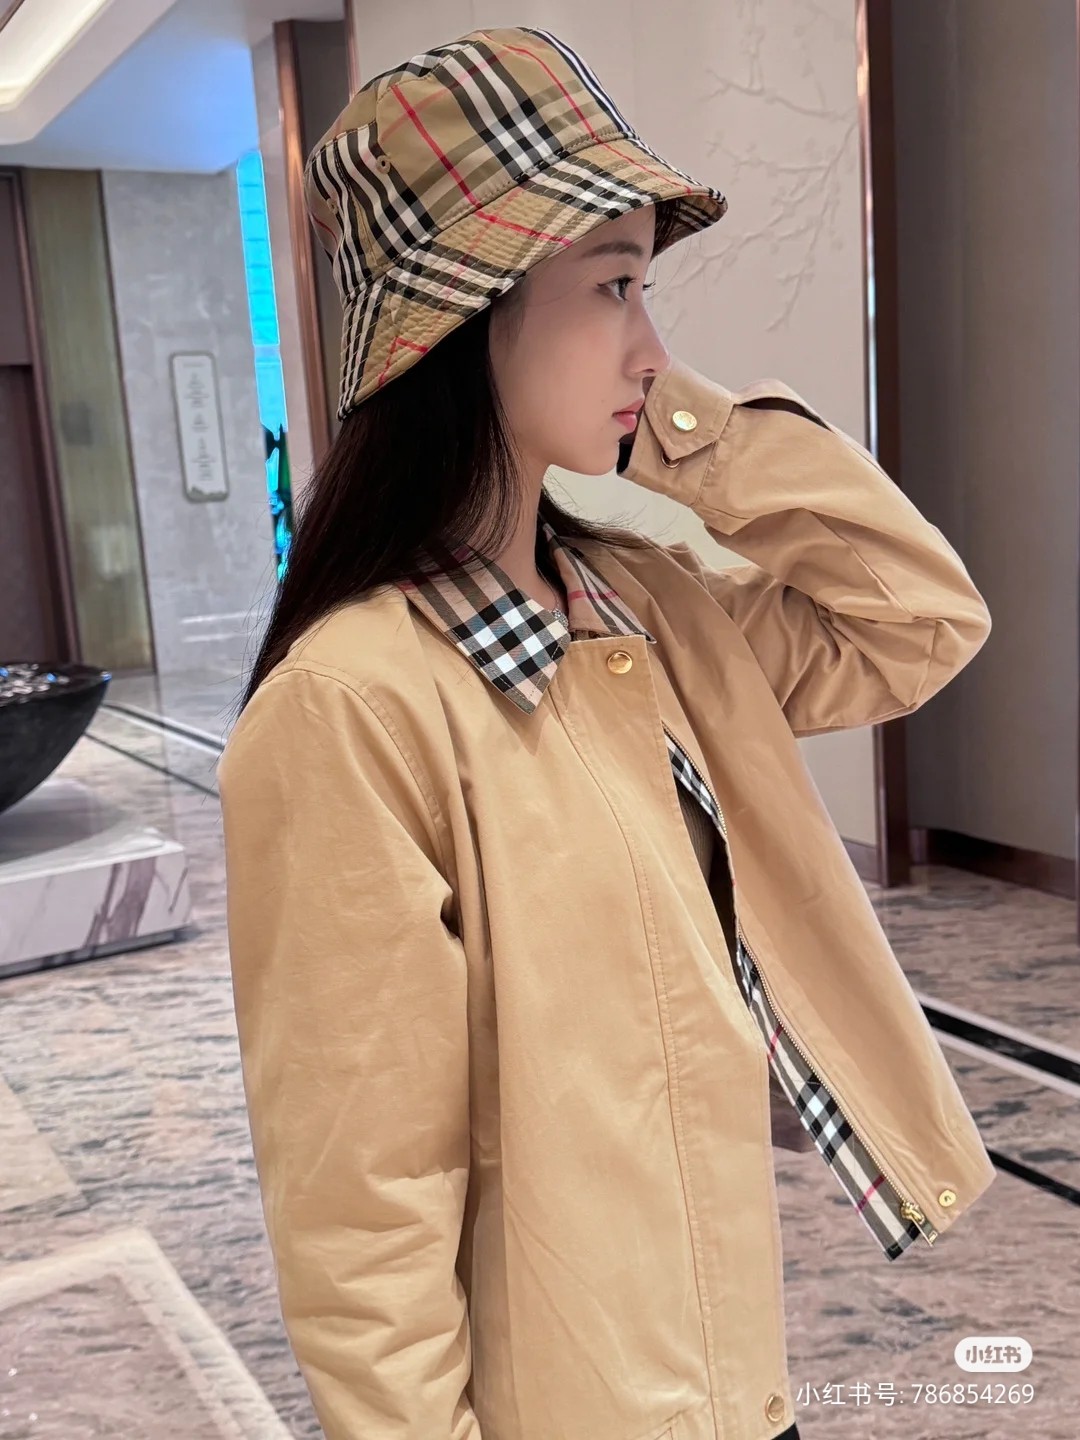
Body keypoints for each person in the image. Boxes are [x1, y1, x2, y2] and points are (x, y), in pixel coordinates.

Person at [217, 26, 996, 1440]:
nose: (652, 346)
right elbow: (364, 1223)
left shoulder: (650, 617)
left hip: (730, 1379)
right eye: (613, 287)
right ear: (462, 317)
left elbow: (917, 619)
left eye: (648, 286)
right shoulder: (350, 711)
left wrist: (683, 431)